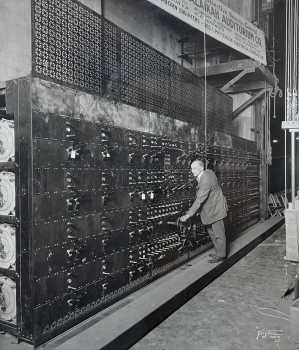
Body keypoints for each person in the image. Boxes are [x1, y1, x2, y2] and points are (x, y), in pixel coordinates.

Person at [179, 159, 228, 263]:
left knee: (218, 233)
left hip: (215, 210)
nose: (192, 171)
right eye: (191, 169)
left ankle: (222, 255)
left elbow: (200, 198)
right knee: (212, 232)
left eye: (195, 168)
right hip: (211, 209)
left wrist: (188, 215)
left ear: (201, 168)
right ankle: (218, 252)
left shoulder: (205, 178)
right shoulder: (207, 173)